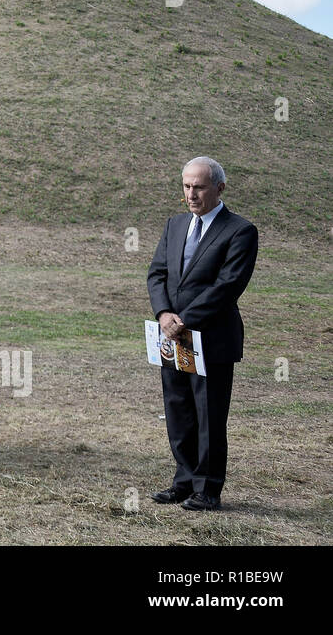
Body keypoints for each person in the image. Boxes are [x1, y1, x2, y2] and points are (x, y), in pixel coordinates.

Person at [146, 156, 258, 511]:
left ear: (220, 188)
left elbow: (228, 286)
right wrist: (164, 313)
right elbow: (157, 274)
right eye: (186, 186)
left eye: (199, 187)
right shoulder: (175, 225)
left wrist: (185, 320)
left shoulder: (240, 231)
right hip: (171, 337)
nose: (191, 194)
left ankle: (207, 489)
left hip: (211, 339)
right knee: (178, 410)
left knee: (208, 414)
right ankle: (183, 481)